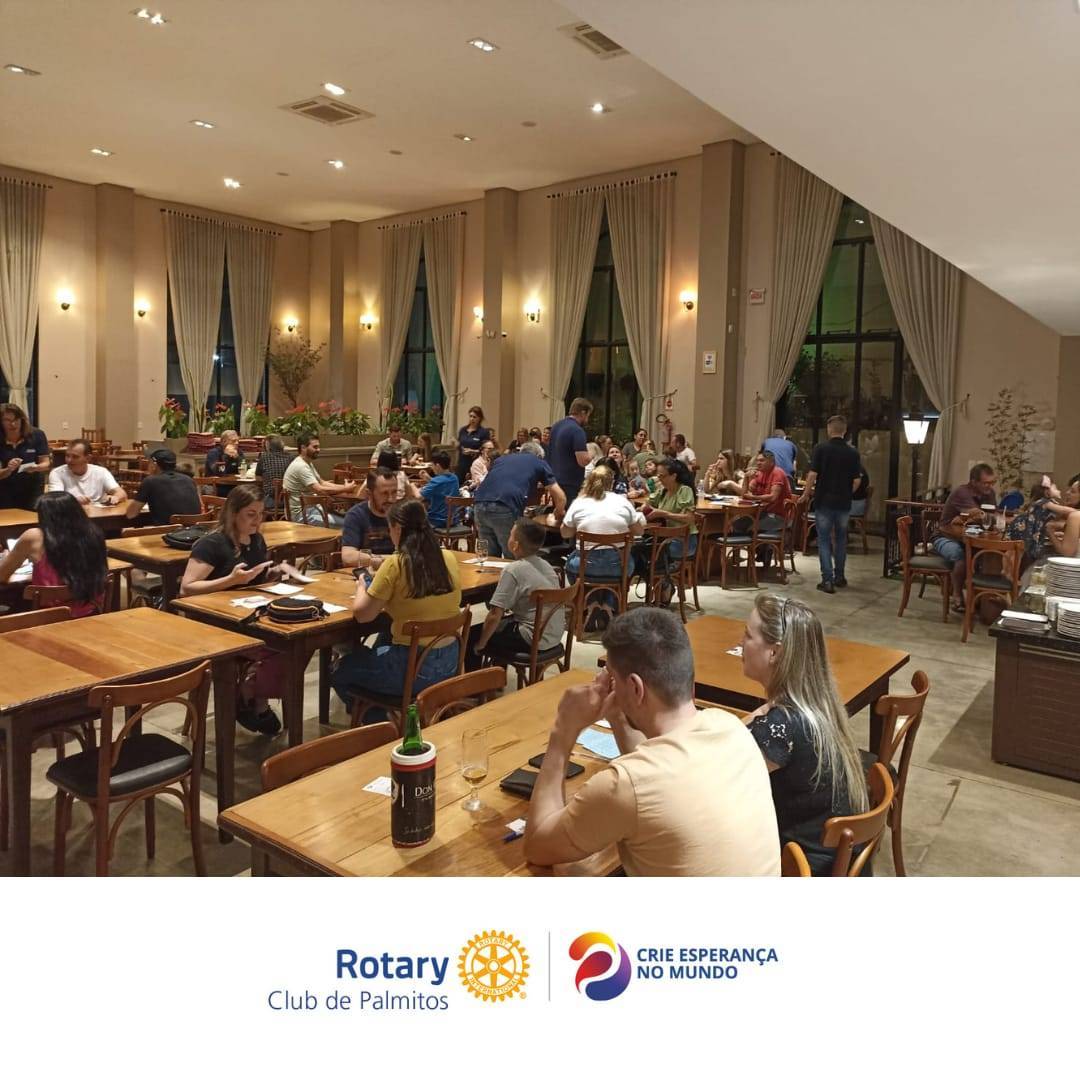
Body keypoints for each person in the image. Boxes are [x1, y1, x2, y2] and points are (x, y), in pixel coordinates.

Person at [524, 608, 780, 876]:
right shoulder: (732, 727)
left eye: (612, 677)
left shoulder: (625, 785)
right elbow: (657, 772)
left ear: (636, 688)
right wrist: (618, 715)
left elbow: (538, 846)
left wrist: (563, 731)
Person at [740, 593, 869, 876]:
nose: (741, 643)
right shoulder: (818, 706)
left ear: (775, 652)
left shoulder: (781, 727)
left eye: (748, 635)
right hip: (835, 863)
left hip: (804, 870)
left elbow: (721, 785)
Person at [180, 484, 296, 735]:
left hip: (245, 614)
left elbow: (255, 580)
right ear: (233, 513)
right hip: (213, 622)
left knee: (292, 644)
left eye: (261, 514)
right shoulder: (212, 544)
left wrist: (275, 574)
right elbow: (186, 588)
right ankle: (253, 699)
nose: (257, 520)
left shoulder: (256, 539)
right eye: (251, 514)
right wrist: (230, 580)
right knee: (277, 648)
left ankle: (252, 693)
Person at [331, 498, 463, 711]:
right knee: (385, 637)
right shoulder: (447, 557)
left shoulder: (395, 564)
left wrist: (362, 586)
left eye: (389, 528)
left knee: (340, 671)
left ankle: (381, 722)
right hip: (450, 663)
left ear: (397, 529)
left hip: (411, 670)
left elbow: (363, 615)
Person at [0, 490, 108, 618]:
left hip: (47, 615)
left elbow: (2, 575)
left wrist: (7, 557)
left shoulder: (34, 537)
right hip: (91, 612)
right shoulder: (94, 534)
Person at [562, 465, 645, 627]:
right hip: (618, 566)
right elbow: (639, 531)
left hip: (585, 566)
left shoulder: (579, 502)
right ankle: (609, 604)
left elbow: (565, 533)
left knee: (570, 566)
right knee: (624, 567)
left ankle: (590, 603)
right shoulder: (622, 501)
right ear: (612, 482)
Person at [471, 517, 563, 663]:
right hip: (553, 635)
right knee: (502, 625)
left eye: (510, 535)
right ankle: (498, 672)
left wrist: (480, 644)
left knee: (473, 633)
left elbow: (495, 614)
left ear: (515, 545)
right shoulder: (547, 566)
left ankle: (479, 677)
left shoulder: (513, 569)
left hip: (531, 638)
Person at [801, 415, 862, 594]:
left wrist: (806, 494)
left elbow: (812, 475)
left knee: (824, 540)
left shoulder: (821, 449)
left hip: (824, 500)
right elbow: (857, 480)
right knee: (841, 540)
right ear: (844, 430)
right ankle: (840, 577)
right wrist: (847, 492)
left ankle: (827, 580)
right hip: (843, 502)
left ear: (829, 429)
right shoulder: (853, 452)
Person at [473, 450, 566, 557]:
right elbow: (560, 497)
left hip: (479, 503)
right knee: (513, 553)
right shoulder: (538, 462)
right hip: (504, 505)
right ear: (539, 455)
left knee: (489, 557)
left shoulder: (502, 459)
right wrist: (559, 513)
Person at [932, 462, 998, 608]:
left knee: (987, 556)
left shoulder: (990, 494)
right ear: (973, 482)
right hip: (944, 537)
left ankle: (982, 600)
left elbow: (989, 517)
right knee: (960, 555)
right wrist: (983, 516)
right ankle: (957, 594)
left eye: (992, 482)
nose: (990, 486)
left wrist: (985, 517)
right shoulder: (962, 492)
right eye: (986, 483)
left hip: (969, 538)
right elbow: (980, 515)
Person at [633, 457, 698, 581]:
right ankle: (659, 582)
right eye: (658, 476)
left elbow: (689, 518)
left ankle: (661, 582)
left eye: (662, 476)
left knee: (643, 550)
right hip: (666, 539)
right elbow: (649, 502)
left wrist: (664, 514)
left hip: (683, 541)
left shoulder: (684, 490)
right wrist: (643, 508)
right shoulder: (664, 490)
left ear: (673, 476)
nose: (659, 479)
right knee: (637, 547)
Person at [282, 432, 358, 525]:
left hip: (312, 509)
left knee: (351, 518)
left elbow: (322, 482)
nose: (318, 449)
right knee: (348, 523)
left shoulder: (307, 463)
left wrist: (344, 487)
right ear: (303, 448)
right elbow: (319, 489)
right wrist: (345, 489)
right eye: (315, 447)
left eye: (318, 447)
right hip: (302, 515)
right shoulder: (300, 466)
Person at [1005, 476, 1080, 562]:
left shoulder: (1073, 515)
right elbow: (1063, 511)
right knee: (1018, 551)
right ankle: (1010, 566)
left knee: (1019, 551)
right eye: (1056, 488)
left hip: (1032, 530)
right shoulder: (1045, 502)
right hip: (1025, 528)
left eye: (1072, 491)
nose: (1066, 492)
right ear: (1047, 491)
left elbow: (1067, 552)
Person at [341, 467, 399, 569]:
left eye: (394, 492)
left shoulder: (403, 513)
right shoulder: (356, 515)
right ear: (369, 494)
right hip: (368, 572)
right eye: (384, 493)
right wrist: (386, 560)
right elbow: (348, 557)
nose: (391, 499)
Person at [125, 448, 201, 525]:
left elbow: (131, 514)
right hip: (195, 529)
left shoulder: (150, 481)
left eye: (149, 463)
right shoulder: (189, 479)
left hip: (168, 530)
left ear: (154, 465)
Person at [0, 403, 50, 510]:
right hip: (5, 487)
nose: (13, 424)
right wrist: (8, 469)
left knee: (32, 516)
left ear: (22, 419)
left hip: (32, 486)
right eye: (7, 420)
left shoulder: (37, 434)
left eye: (16, 419)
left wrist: (36, 467)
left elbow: (46, 463)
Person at [48, 439, 125, 505]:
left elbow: (121, 493)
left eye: (75, 457)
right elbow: (55, 500)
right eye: (67, 456)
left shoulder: (101, 472)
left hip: (98, 514)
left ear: (88, 458)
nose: (69, 460)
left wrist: (116, 497)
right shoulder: (57, 473)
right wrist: (74, 501)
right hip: (71, 514)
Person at [549, 397, 593, 503]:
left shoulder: (556, 426)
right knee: (570, 512)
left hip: (554, 481)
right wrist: (591, 455)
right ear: (583, 412)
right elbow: (582, 461)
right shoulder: (577, 430)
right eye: (588, 415)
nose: (588, 419)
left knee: (559, 511)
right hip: (570, 483)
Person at [737, 450, 791, 536]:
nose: (758, 463)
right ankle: (741, 544)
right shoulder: (759, 473)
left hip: (777, 516)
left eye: (762, 460)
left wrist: (753, 497)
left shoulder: (777, 473)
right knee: (737, 524)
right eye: (757, 460)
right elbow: (744, 495)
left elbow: (773, 497)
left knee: (750, 527)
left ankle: (755, 545)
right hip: (762, 513)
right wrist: (746, 478)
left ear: (771, 462)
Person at [418, 450, 460, 528]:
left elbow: (419, 497)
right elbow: (442, 486)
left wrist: (410, 485)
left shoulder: (436, 481)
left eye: (432, 465)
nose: (431, 468)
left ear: (437, 466)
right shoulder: (455, 478)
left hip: (437, 520)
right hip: (453, 520)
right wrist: (429, 479)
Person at [454, 404, 490, 485]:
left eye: (474, 417)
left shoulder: (483, 432)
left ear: (479, 418)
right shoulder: (463, 430)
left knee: (472, 485)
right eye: (470, 416)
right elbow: (459, 445)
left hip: (475, 463)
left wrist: (473, 451)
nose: (472, 419)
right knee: (458, 484)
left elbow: (486, 449)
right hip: (462, 463)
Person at [255, 435, 292, 512]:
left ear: (268, 446)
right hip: (289, 500)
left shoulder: (264, 457)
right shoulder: (291, 457)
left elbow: (258, 478)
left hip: (270, 501)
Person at [205, 429, 246, 497]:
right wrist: (226, 455)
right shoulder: (213, 453)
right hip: (216, 485)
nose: (237, 443)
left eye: (238, 441)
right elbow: (218, 472)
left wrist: (237, 458)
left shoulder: (239, 452)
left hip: (233, 485)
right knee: (237, 494)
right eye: (233, 441)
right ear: (223, 442)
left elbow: (244, 469)